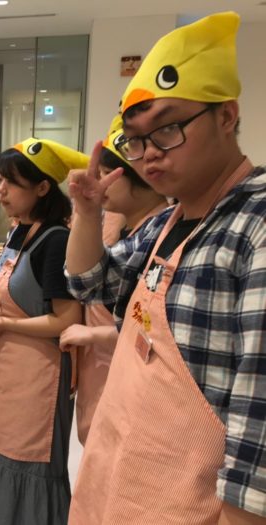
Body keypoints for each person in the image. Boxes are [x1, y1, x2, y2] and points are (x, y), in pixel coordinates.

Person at [66, 12, 265, 522]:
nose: (149, 155)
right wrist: (87, 213)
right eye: (136, 139)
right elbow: (90, 284)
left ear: (226, 116)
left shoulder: (255, 223)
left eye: (168, 129)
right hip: (123, 484)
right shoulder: (170, 219)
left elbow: (258, 438)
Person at [0, 138, 85, 524]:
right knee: (1, 445)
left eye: (11, 182)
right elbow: (15, 295)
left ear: (43, 187)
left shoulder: (55, 240)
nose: (0, 190)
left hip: (37, 379)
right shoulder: (20, 230)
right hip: (5, 372)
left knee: (27, 459)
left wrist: (4, 324)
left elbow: (66, 319)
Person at [59, 116, 168, 445]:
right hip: (104, 365)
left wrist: (93, 333)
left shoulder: (160, 231)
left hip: (126, 379)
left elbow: (155, 333)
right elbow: (83, 282)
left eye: (108, 174)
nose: (100, 183)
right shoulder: (138, 231)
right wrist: (87, 212)